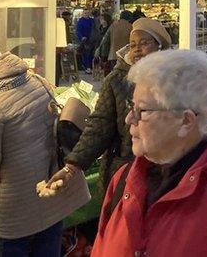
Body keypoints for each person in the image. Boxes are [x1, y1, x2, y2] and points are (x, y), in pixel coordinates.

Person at [92, 50, 207, 256]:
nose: (129, 118)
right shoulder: (123, 180)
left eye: (142, 110)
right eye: (132, 106)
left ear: (186, 121)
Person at [0, 47, 91, 255]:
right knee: (48, 244)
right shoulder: (38, 82)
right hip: (49, 184)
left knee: (14, 245)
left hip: (19, 196)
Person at [50, 18, 172, 191]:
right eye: (132, 44)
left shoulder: (174, 80)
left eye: (144, 43)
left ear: (160, 46)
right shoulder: (116, 80)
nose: (137, 49)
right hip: (127, 170)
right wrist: (73, 165)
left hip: (167, 171)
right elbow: (99, 125)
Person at [97, 10, 133, 75]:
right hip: (127, 56)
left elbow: (105, 42)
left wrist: (104, 56)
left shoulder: (113, 25)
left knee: (115, 75)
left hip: (113, 55)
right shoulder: (131, 27)